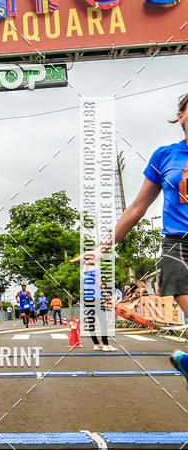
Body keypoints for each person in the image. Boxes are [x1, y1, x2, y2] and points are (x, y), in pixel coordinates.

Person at [74, 93, 188, 375]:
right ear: (181, 115)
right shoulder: (165, 156)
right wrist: (103, 247)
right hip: (179, 247)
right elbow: (137, 207)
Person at [81, 251, 116, 351]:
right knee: (103, 321)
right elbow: (100, 284)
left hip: (88, 299)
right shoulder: (95, 269)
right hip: (96, 298)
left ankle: (96, 344)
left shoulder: (82, 272)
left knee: (91, 322)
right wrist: (106, 295)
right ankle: (105, 344)